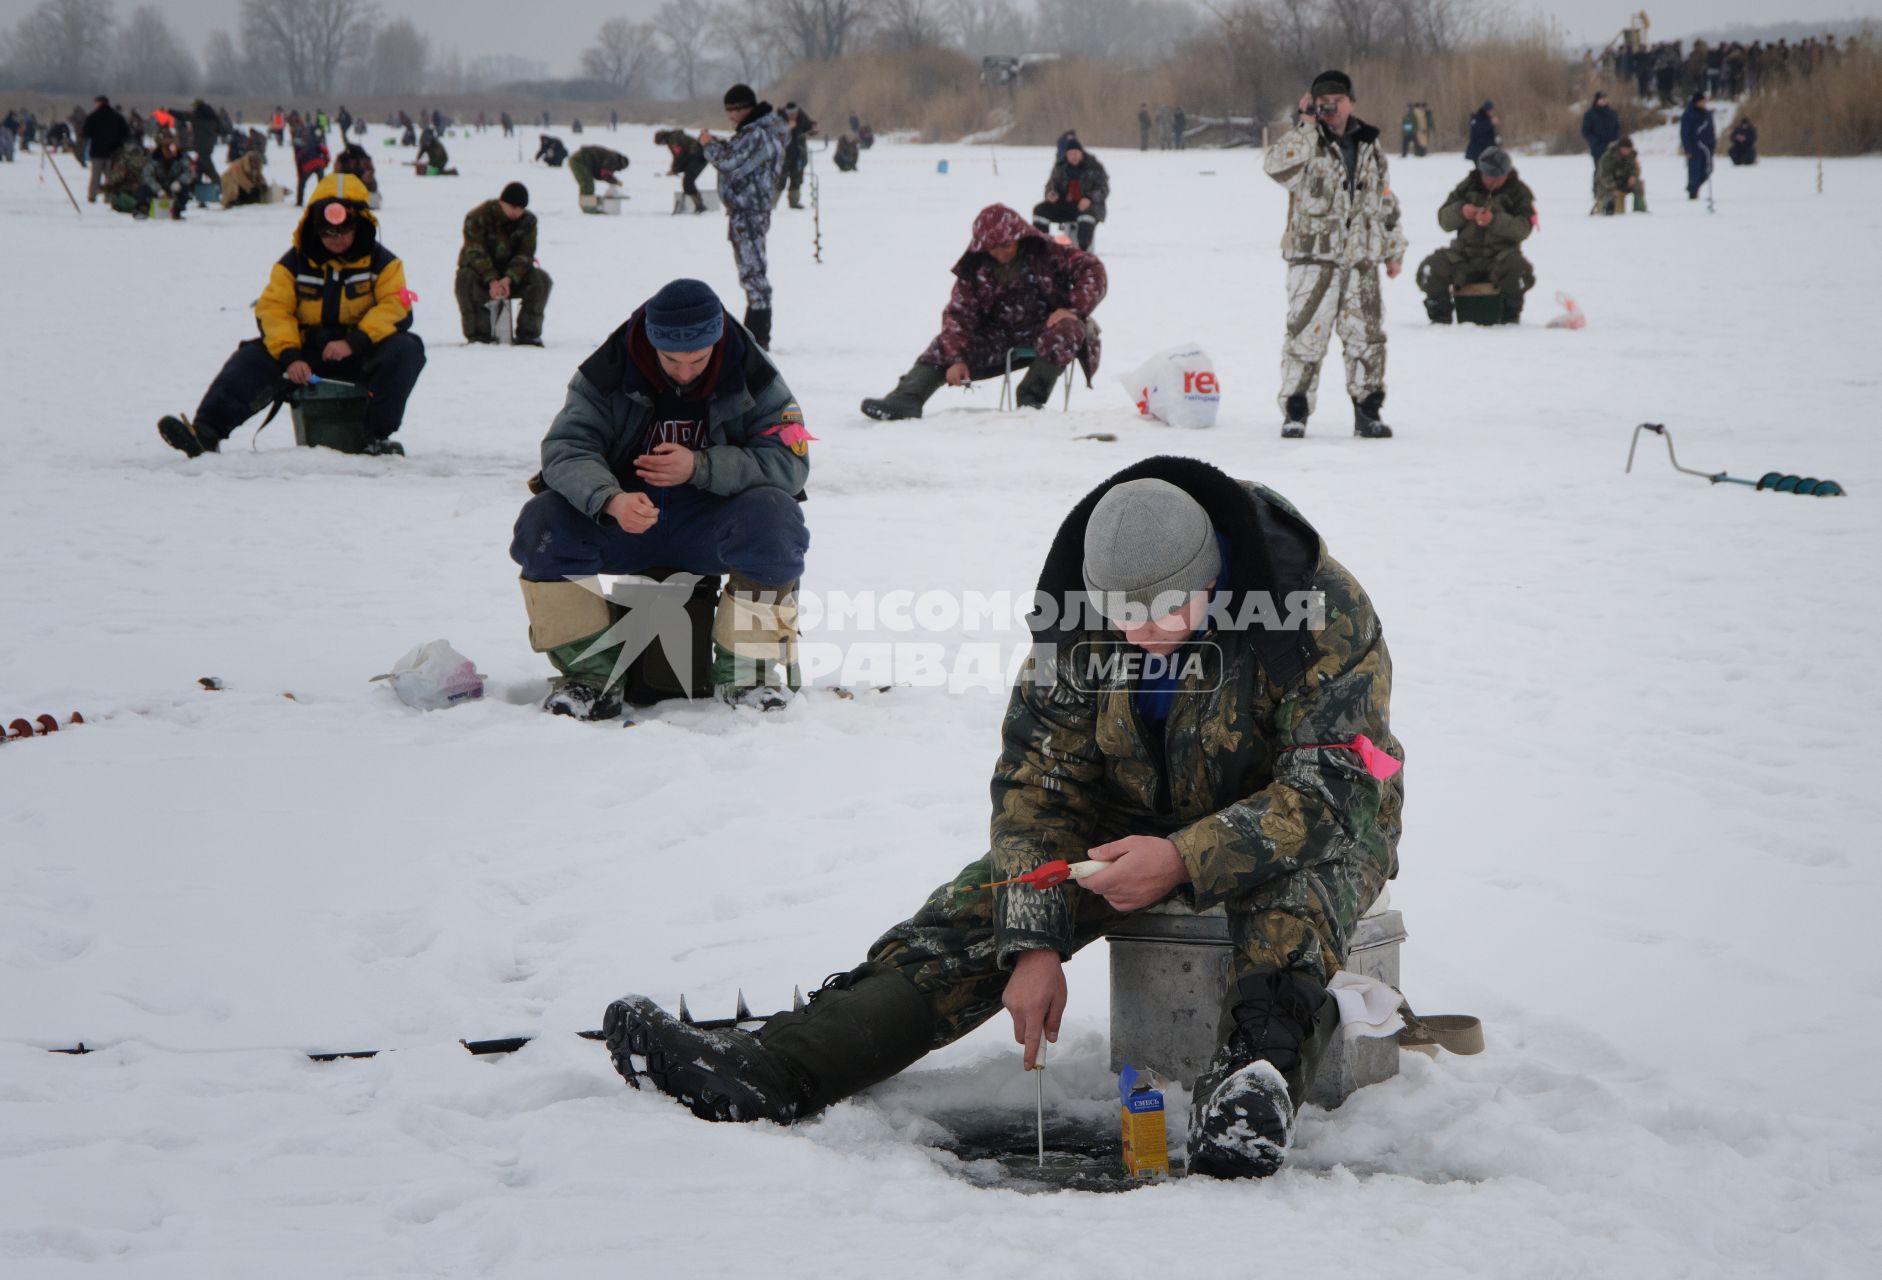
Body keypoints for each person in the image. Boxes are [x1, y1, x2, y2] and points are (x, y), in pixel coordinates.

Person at [601, 455, 1404, 1182]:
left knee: (1294, 893)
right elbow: (1039, 784)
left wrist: (1186, 857)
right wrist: (1032, 941)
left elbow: (1337, 781)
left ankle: (1251, 1089)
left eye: (1165, 614)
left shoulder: (1315, 607)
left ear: (1216, 578)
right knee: (984, 909)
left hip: (1308, 816)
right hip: (1132, 812)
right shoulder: (1075, 615)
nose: (1140, 636)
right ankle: (780, 1067)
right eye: (1121, 617)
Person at [508, 278, 811, 719]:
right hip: (624, 521)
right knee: (543, 522)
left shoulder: (754, 373)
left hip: (710, 524)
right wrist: (609, 499)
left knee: (776, 519)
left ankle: (748, 676)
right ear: (651, 343)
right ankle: (590, 678)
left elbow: (790, 463)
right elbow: (565, 449)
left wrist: (700, 466)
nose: (685, 372)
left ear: (718, 341)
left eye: (698, 360)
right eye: (671, 359)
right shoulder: (607, 370)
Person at [156, 174, 424, 459]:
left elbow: (395, 307)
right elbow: (273, 309)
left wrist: (354, 342)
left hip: (360, 353)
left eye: (344, 232)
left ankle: (376, 437)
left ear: (361, 225)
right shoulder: (292, 263)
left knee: (406, 349)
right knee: (251, 357)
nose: (336, 239)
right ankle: (206, 432)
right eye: (328, 232)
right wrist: (291, 355)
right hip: (305, 352)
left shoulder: (385, 264)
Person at [860, 204, 1105, 421]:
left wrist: (1072, 310)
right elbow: (958, 315)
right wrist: (956, 359)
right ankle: (906, 398)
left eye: (1006, 245)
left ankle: (1030, 401)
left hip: (1046, 328)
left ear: (1019, 236)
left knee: (1068, 330)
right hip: (998, 336)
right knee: (945, 343)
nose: (1000, 252)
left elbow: (1092, 269)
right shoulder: (974, 269)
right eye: (992, 248)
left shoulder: (1050, 251)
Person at [1263, 70, 1406, 439]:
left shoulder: (1370, 144)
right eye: (1323, 103)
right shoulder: (1308, 141)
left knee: (1366, 338)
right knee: (1305, 337)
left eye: (1337, 102)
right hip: (1313, 260)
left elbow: (1384, 199)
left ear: (1351, 103)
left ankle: (1368, 411)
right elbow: (1275, 167)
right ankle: (1295, 412)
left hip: (1360, 261)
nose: (1331, 110)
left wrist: (1393, 249)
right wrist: (1307, 125)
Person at [701, 83, 788, 351]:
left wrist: (708, 145)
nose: (729, 117)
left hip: (748, 211)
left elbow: (730, 163)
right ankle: (754, 336)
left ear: (743, 108)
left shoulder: (756, 134)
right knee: (752, 271)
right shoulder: (765, 131)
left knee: (753, 273)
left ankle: (757, 339)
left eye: (731, 111)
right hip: (751, 210)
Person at [1415, 147, 1536, 325]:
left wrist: (1494, 220)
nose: (1491, 182)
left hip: (1500, 258)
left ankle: (1509, 318)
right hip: (1464, 257)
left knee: (1519, 269)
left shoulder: (1519, 192)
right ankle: (1440, 318)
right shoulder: (1466, 187)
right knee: (1431, 268)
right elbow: (1443, 220)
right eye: (1487, 176)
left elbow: (1523, 229)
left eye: (1497, 178)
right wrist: (1461, 212)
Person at [457, 182, 552, 346]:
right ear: (502, 202)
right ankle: (479, 335)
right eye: (513, 207)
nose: (517, 212)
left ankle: (529, 335)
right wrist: (492, 281)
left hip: (512, 275)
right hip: (481, 273)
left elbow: (525, 254)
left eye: (521, 208)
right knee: (465, 278)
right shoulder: (478, 217)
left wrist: (508, 279)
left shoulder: (528, 221)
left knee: (541, 279)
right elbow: (475, 252)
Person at [1031, 130, 1108, 252]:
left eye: (1076, 153)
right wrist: (1051, 193)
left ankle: (1083, 250)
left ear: (1081, 153)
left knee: (1086, 220)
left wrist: (1089, 198)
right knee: (1040, 210)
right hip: (1065, 205)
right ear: (1066, 154)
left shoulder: (1094, 167)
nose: (1074, 156)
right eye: (1071, 153)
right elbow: (1050, 185)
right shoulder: (1060, 167)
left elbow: (1103, 189)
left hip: (1088, 208)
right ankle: (1041, 247)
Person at [137, 131, 196, 220]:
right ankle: (143, 209)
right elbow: (147, 176)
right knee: (143, 188)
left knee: (185, 189)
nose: (169, 153)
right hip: (158, 186)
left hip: (174, 187)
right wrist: (158, 189)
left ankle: (177, 210)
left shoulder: (182, 157)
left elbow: (189, 172)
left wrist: (179, 182)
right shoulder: (153, 158)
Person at [80, 95, 129, 203]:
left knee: (95, 177)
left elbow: (85, 133)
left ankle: (92, 196)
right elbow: (126, 133)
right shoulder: (117, 117)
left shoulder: (93, 117)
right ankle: (109, 197)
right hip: (113, 152)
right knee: (111, 176)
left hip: (97, 152)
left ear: (99, 103)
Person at [654, 128, 710, 212]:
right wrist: (675, 169)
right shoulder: (674, 138)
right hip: (695, 157)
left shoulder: (674, 141)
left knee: (688, 181)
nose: (663, 145)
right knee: (687, 182)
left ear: (663, 139)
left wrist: (674, 169)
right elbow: (681, 156)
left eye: (662, 143)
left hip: (698, 157)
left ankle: (700, 206)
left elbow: (679, 156)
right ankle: (699, 205)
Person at [1592, 135, 1647, 214]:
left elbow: (1635, 170)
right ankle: (1604, 208)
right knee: (1616, 211)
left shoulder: (1631, 156)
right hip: (1606, 187)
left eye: (1628, 149)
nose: (1626, 151)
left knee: (1638, 183)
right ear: (1619, 148)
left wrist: (1633, 176)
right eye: (1624, 149)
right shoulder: (1607, 158)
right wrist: (1613, 188)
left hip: (1622, 184)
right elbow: (1604, 177)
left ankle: (1640, 211)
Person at [1580, 91, 1621, 193]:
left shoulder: (1612, 113)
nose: (1603, 101)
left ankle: (1610, 190)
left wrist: (1616, 141)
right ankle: (1597, 191)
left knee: (1611, 169)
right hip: (1598, 147)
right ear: (1596, 100)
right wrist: (1595, 142)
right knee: (1599, 169)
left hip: (1612, 147)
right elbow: (1586, 131)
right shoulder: (1590, 114)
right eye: (1601, 99)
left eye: (1605, 99)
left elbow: (1617, 128)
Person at [779, 101, 816, 210]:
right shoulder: (779, 119)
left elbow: (808, 127)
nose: (792, 114)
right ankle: (772, 204)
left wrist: (812, 129)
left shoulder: (802, 117)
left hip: (799, 153)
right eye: (789, 112)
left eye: (794, 112)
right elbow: (773, 133)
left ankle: (794, 203)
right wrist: (787, 128)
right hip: (784, 154)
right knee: (780, 179)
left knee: (797, 178)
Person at [570, 143, 628, 210]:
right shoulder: (613, 159)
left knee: (588, 184)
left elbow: (600, 173)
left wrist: (612, 180)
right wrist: (615, 182)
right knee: (587, 184)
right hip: (579, 160)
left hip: (581, 159)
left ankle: (589, 206)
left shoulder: (612, 156)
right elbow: (605, 174)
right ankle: (588, 208)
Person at [1680, 91, 1715, 200]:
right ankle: (1693, 192)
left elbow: (1711, 131)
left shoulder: (1707, 114)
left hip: (1706, 149)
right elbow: (1685, 133)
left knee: (1708, 170)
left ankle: (1693, 187)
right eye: (1702, 101)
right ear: (1697, 102)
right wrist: (1687, 149)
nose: (1704, 104)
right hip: (1694, 148)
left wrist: (1712, 145)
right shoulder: (1688, 114)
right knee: (1694, 172)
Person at [294, 127, 330, 206]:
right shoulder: (315, 142)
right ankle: (325, 200)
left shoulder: (300, 151)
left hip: (308, 166)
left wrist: (300, 176)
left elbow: (298, 163)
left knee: (301, 184)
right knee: (322, 184)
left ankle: (299, 202)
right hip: (319, 163)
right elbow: (325, 150)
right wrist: (326, 162)